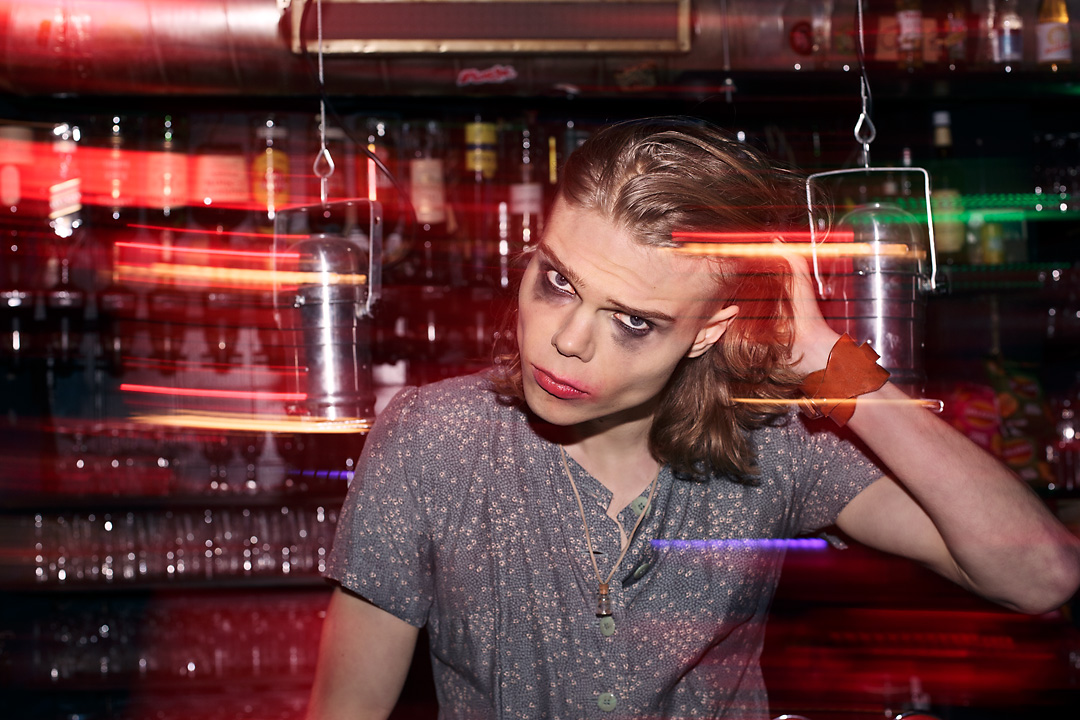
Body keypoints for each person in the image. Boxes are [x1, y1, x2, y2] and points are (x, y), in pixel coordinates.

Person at [305, 118, 1080, 720]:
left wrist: (823, 359)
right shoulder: (434, 438)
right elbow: (346, 709)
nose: (567, 341)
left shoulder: (775, 443)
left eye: (632, 321)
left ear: (708, 331)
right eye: (557, 282)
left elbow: (1040, 574)